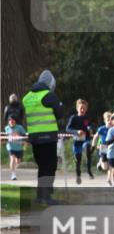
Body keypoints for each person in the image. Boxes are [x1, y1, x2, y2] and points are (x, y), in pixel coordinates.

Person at [22, 70, 64, 205]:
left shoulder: (27, 97)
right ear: (50, 83)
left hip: (34, 138)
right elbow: (60, 113)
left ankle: (40, 196)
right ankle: (46, 197)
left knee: (42, 167)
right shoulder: (48, 95)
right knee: (50, 166)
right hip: (48, 137)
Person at [66, 98, 94, 184]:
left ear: (86, 109)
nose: (82, 110)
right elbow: (68, 129)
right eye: (81, 108)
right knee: (78, 159)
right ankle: (78, 176)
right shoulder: (73, 118)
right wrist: (77, 131)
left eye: (84, 108)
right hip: (77, 141)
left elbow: (90, 126)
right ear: (77, 108)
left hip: (86, 140)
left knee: (87, 147)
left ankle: (89, 171)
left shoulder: (87, 118)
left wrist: (90, 129)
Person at [5, 116, 27, 180]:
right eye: (10, 120)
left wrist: (18, 136)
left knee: (18, 162)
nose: (11, 121)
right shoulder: (6, 128)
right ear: (8, 122)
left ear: (15, 121)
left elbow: (24, 136)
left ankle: (14, 168)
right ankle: (13, 174)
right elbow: (5, 137)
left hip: (19, 147)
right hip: (10, 146)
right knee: (12, 159)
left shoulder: (20, 127)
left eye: (12, 120)